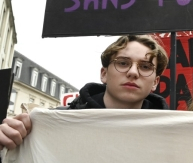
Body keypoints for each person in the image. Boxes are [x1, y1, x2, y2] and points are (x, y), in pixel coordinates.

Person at [0, 34, 169, 151]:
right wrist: (6, 140)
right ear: (104, 74)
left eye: (145, 67)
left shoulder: (169, 135)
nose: (133, 72)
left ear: (155, 82)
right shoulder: (53, 123)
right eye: (123, 63)